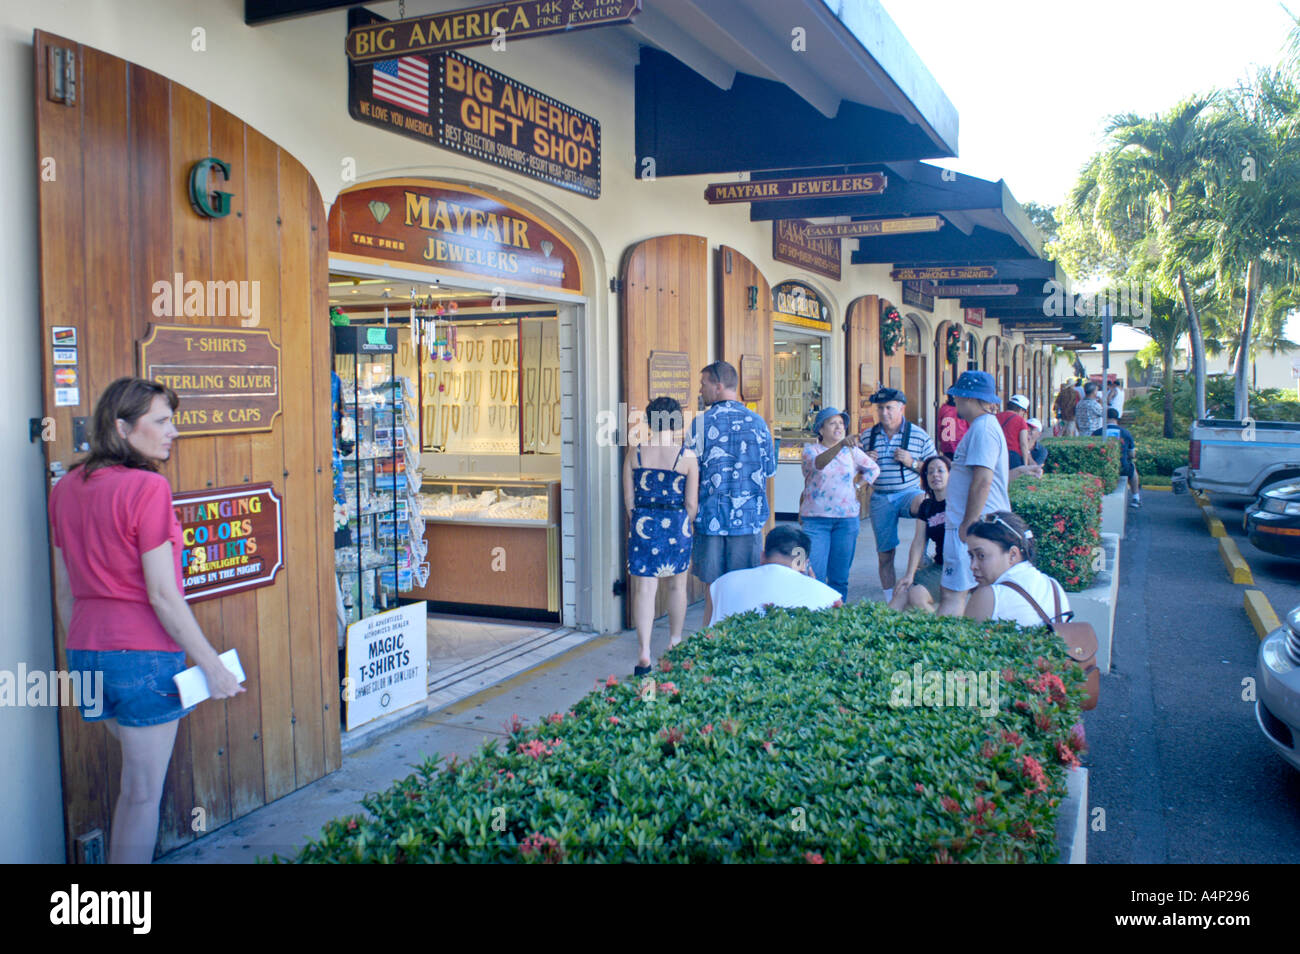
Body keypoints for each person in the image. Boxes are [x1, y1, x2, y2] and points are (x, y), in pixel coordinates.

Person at [48, 377, 244, 864]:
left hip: (87, 655)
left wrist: (84, 651)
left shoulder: (66, 487)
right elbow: (162, 593)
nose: (172, 431)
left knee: (134, 787)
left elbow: (64, 590)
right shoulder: (148, 487)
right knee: (140, 795)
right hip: (142, 659)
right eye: (160, 421)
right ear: (121, 427)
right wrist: (212, 665)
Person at [689, 360, 777, 625]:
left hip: (710, 519)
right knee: (743, 589)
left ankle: (709, 642)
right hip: (748, 521)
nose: (700, 389)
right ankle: (740, 646)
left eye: (703, 384)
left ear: (718, 386)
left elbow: (689, 472)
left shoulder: (700, 424)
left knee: (713, 590)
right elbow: (770, 470)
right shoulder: (759, 423)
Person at [624, 396, 699, 675]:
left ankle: (644, 652)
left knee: (645, 589)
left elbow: (629, 499)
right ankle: (675, 642)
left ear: (650, 420)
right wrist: (681, 522)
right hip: (676, 524)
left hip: (644, 523)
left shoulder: (636, 452)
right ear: (677, 421)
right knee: (677, 588)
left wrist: (642, 520)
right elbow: (692, 504)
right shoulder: (686, 456)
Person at [940, 371, 1011, 617]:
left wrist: (968, 523)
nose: (954, 400)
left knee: (953, 594)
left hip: (973, 526)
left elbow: (982, 481)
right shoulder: (984, 427)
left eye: (957, 395)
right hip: (977, 524)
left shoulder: (982, 429)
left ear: (967, 397)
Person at [859, 387, 938, 604]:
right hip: (881, 496)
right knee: (885, 555)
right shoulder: (868, 436)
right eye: (880, 408)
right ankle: (890, 598)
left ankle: (922, 551)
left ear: (902, 409)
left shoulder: (919, 436)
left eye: (889, 408)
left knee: (925, 504)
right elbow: (855, 471)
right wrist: (865, 461)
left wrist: (912, 462)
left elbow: (936, 468)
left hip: (908, 492)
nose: (884, 413)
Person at [799, 406, 880, 601]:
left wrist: (859, 486)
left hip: (846, 520)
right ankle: (815, 615)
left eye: (841, 423)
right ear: (821, 429)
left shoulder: (852, 452)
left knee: (839, 577)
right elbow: (819, 463)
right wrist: (841, 444)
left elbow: (873, 469)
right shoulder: (811, 451)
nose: (839, 427)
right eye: (832, 423)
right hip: (816, 520)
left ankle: (836, 616)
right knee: (814, 574)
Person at [708, 525, 841, 625]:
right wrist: (813, 584)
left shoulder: (722, 583)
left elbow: (708, 632)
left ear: (762, 556)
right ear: (803, 564)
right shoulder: (829, 596)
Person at [962, 511, 1073, 626]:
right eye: (971, 556)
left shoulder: (989, 596)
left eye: (981, 555)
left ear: (1013, 554)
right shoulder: (1053, 585)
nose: (973, 566)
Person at [889, 456, 951, 612]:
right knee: (902, 590)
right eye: (930, 472)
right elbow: (919, 542)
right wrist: (909, 574)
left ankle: (947, 632)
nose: (935, 475)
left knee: (917, 596)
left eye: (940, 471)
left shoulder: (958, 503)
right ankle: (875, 628)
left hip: (958, 566)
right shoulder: (927, 506)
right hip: (939, 565)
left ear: (951, 475)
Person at [1104, 407, 1142, 509]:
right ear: (1118, 418)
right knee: (1133, 469)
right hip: (1122, 468)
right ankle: (1136, 497)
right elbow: (1132, 454)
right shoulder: (1125, 433)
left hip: (1102, 466)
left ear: (1105, 417)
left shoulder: (1097, 432)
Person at [996, 394, 1033, 469]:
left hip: (996, 454)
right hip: (1012, 456)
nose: (1023, 414)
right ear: (1021, 409)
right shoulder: (1020, 420)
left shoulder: (995, 417)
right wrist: (1025, 464)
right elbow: (1024, 444)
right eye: (1024, 412)